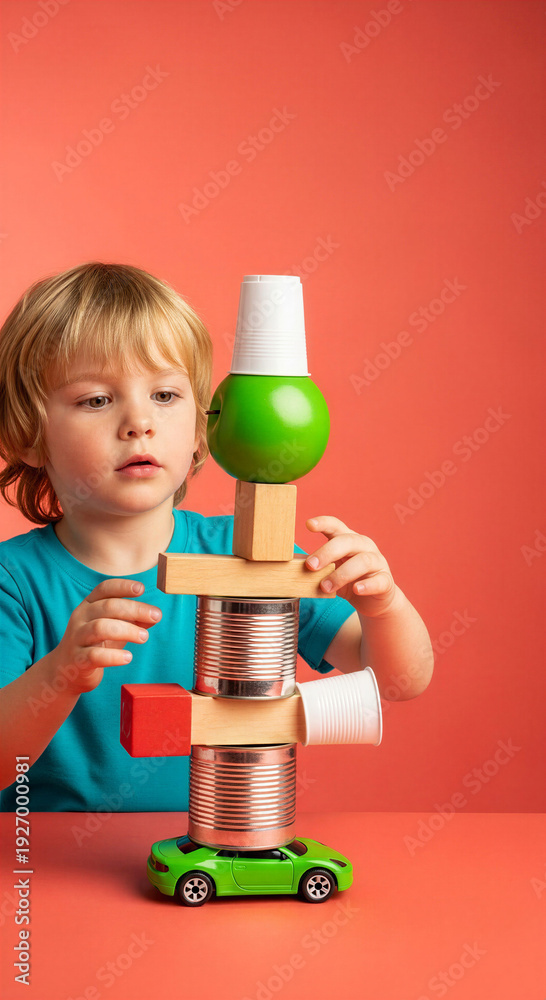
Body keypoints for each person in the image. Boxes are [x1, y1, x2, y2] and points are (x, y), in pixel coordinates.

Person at [0, 262, 434, 812]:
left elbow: (399, 680)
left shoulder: (251, 558)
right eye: (96, 400)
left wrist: (383, 605)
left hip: (217, 847)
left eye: (164, 396)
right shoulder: (13, 583)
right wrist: (60, 674)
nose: (138, 422)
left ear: (204, 423)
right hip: (48, 861)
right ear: (29, 437)